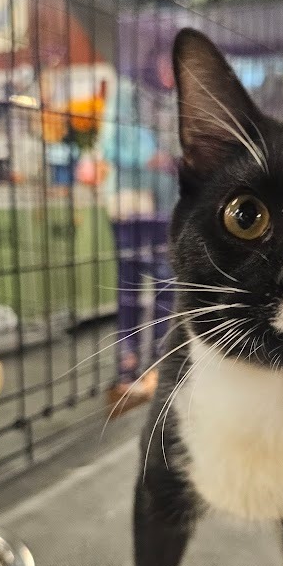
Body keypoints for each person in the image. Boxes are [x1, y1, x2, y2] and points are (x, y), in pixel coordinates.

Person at [99, 76, 178, 413]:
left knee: (167, 285)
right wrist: (151, 155)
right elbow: (108, 144)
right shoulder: (127, 91)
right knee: (130, 287)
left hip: (169, 206)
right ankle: (126, 368)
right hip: (131, 205)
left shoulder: (175, 98)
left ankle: (158, 365)